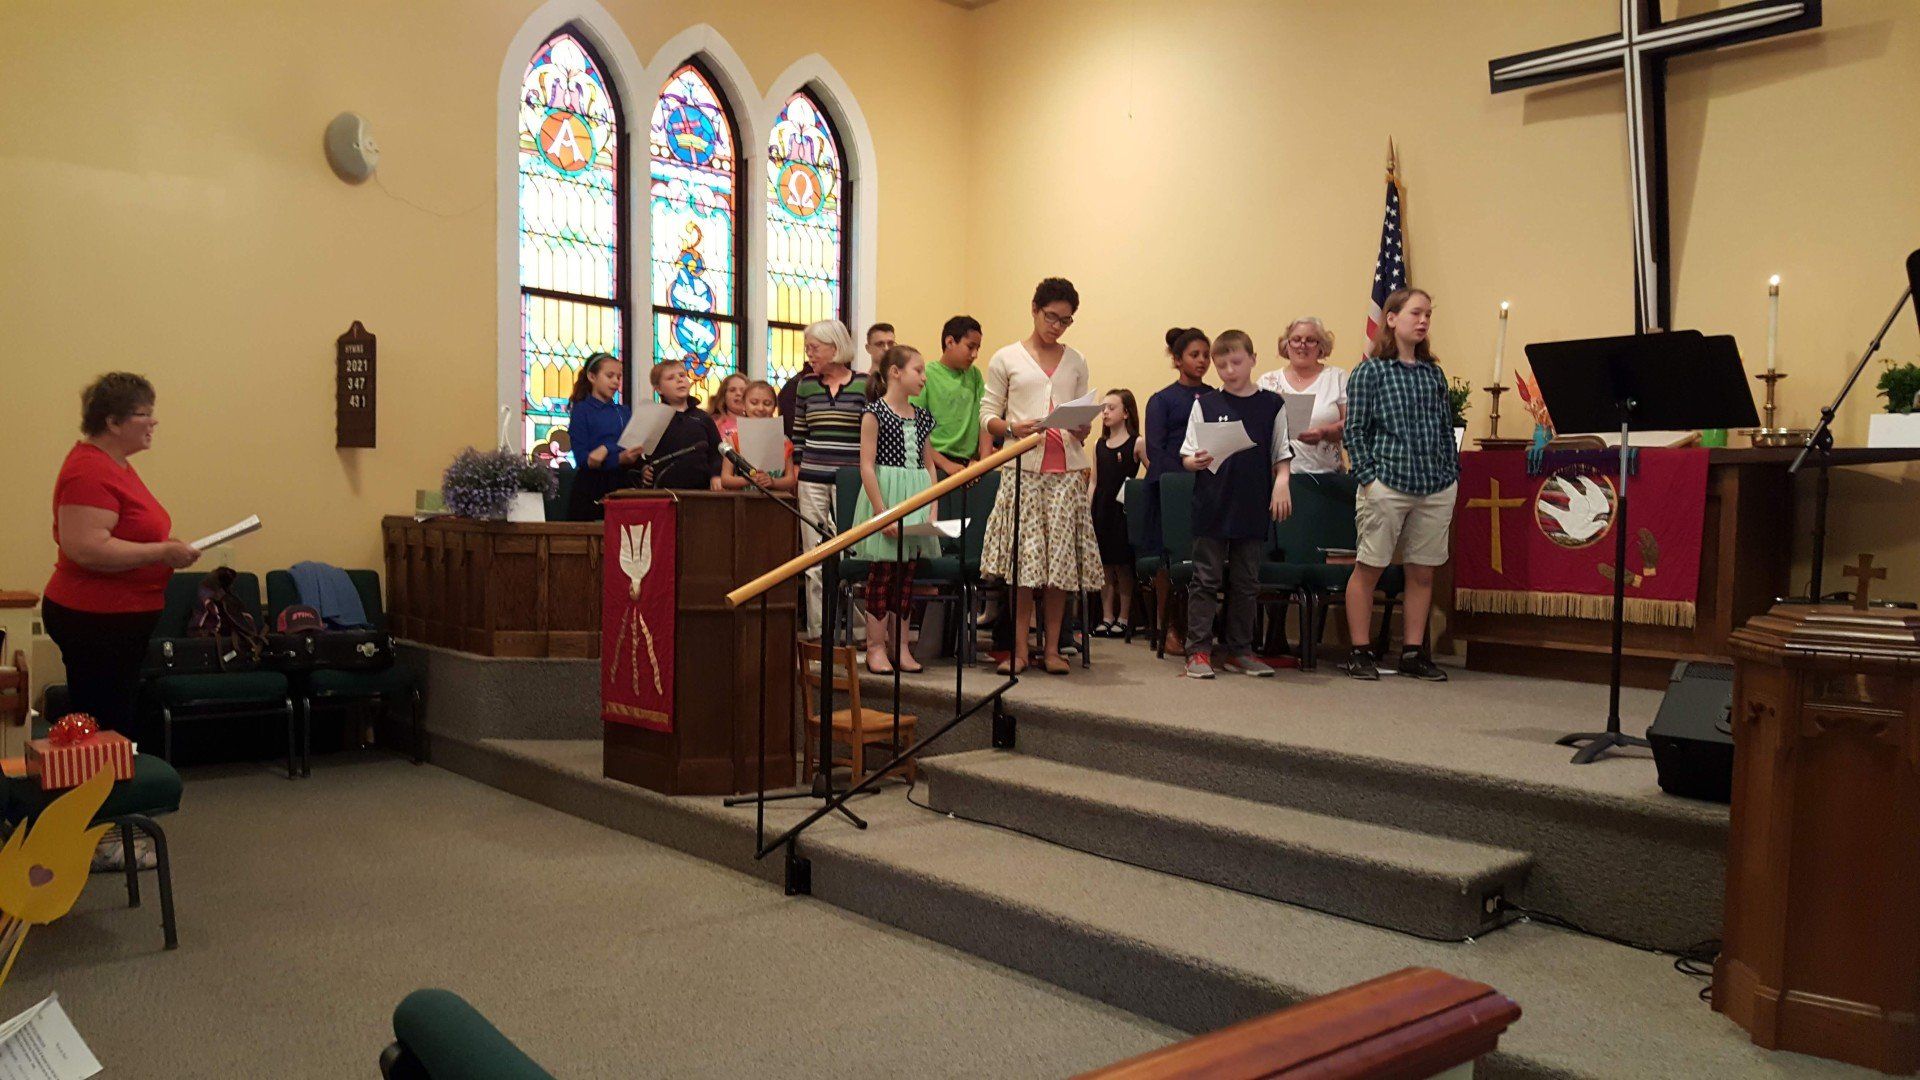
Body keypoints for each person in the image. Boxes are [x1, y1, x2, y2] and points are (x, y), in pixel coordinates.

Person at [44, 372, 201, 743]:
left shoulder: (116, 466)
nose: (154, 421)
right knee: (103, 727)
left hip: (119, 620)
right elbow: (86, 549)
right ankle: (100, 796)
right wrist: (162, 551)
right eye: (143, 414)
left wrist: (165, 546)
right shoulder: (89, 470)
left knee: (117, 721)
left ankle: (113, 792)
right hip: (95, 620)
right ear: (112, 422)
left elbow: (127, 531)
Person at [979, 277, 1104, 676]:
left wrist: (1083, 428)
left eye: (1066, 321)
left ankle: (1052, 649)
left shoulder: (1076, 360)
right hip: (1023, 471)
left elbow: (1082, 414)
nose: (1057, 326)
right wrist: (1014, 428)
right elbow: (987, 417)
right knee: (1023, 569)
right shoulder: (1006, 358)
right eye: (1051, 317)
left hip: (1066, 473)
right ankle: (1018, 651)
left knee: (1059, 570)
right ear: (1034, 309)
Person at [1342, 287, 1456, 682]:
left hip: (1435, 484)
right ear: (1391, 318)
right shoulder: (1370, 371)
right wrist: (1369, 479)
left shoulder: (1432, 373)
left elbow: (1445, 429)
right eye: (1415, 313)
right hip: (1387, 481)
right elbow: (1354, 431)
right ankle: (1359, 650)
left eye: (1428, 314)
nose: (1423, 320)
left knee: (1422, 572)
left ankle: (1412, 652)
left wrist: (1450, 472)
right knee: (1370, 566)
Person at [1179, 331, 1293, 679]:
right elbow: (1186, 452)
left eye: (1236, 362)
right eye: (1221, 364)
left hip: (1252, 502)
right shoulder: (1206, 403)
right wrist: (1192, 462)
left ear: (1253, 359)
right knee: (1206, 579)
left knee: (1246, 581)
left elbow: (1281, 452)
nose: (1229, 370)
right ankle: (1198, 650)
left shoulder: (1272, 404)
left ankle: (1240, 649)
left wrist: (1282, 484)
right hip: (1213, 503)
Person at [853, 346, 942, 674]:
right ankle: (876, 647)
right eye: (918, 370)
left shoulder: (922, 418)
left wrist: (933, 507)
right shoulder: (874, 413)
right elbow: (866, 464)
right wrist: (881, 512)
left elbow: (930, 467)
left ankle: (902, 646)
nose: (923, 377)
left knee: (907, 576)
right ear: (895, 373)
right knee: (883, 575)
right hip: (886, 497)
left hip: (915, 498)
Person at [791, 319, 869, 637]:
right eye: (808, 348)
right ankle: (818, 631)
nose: (810, 354)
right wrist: (798, 470)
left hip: (850, 482)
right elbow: (799, 433)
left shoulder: (864, 383)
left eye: (815, 348)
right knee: (814, 558)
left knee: (852, 555)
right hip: (812, 478)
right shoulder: (806, 385)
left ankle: (858, 629)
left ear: (835, 348)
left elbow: (870, 435)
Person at [1143, 327, 1213, 653]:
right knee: (1169, 560)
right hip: (1170, 488)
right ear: (1177, 358)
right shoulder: (1161, 400)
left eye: (1205, 355)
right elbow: (1157, 450)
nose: (1201, 361)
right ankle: (1168, 627)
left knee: (1205, 558)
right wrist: (1184, 471)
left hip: (1207, 486)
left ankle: (1199, 629)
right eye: (1194, 355)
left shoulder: (1216, 396)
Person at [1256, 317, 1348, 474]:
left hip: (1327, 477)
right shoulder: (1267, 382)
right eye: (1296, 340)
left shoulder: (1338, 378)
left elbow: (1353, 423)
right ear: (1286, 345)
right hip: (1276, 478)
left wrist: (1324, 432)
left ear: (1321, 347)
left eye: (1311, 340)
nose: (1302, 345)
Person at [1090, 389, 1145, 637]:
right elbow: (1094, 481)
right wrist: (1088, 508)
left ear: (1125, 412)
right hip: (1102, 508)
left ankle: (1124, 616)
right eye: (1103, 408)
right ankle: (1106, 616)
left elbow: (1151, 472)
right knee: (1104, 565)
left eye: (1111, 408)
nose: (1105, 412)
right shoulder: (1099, 445)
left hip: (1123, 509)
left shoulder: (1137, 442)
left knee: (1122, 566)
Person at [565, 352, 643, 521]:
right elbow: (585, 459)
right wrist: (617, 457)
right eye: (610, 376)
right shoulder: (582, 410)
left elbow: (630, 442)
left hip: (622, 482)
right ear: (592, 376)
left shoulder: (623, 412)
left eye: (619, 377)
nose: (616, 381)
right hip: (592, 485)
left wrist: (608, 448)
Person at [913, 315, 988, 478]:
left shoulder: (975, 376)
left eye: (978, 348)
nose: (975, 354)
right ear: (950, 342)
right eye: (970, 347)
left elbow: (985, 417)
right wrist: (945, 464)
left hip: (968, 465)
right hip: (934, 463)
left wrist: (984, 462)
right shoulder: (928, 375)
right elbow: (913, 429)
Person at [639, 359, 723, 491]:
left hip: (701, 491)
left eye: (682, 375)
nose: (679, 380)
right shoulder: (654, 419)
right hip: (664, 490)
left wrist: (716, 475)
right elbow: (641, 453)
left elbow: (716, 452)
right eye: (671, 378)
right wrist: (644, 468)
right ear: (659, 389)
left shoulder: (703, 418)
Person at [719, 380, 797, 493]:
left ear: (775, 407)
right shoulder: (734, 440)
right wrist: (748, 479)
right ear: (744, 405)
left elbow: (790, 480)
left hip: (773, 503)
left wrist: (773, 482)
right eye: (754, 403)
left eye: (767, 403)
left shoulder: (783, 441)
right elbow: (725, 479)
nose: (760, 408)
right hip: (742, 502)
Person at [708, 372, 749, 441]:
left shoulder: (754, 423)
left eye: (743, 390)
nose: (738, 393)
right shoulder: (713, 423)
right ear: (724, 396)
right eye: (732, 390)